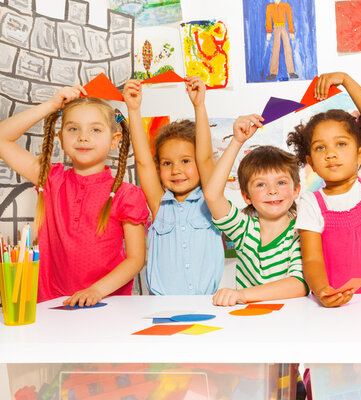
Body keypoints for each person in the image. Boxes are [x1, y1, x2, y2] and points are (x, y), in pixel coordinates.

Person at [0, 86, 148, 306]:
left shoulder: (126, 195)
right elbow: (3, 139)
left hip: (107, 306)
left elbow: (136, 259)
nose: (83, 137)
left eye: (95, 130)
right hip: (51, 306)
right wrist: (51, 105)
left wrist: (96, 291)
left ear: (114, 140)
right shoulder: (51, 179)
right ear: (60, 137)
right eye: (73, 129)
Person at [287, 72, 361, 308]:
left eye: (341, 144)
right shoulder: (311, 202)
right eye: (320, 147)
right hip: (334, 310)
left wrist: (346, 80)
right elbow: (312, 259)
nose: (331, 153)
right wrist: (322, 290)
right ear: (311, 162)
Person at [123, 77, 224, 295]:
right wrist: (133, 109)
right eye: (167, 163)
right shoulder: (160, 204)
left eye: (185, 161)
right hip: (160, 304)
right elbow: (143, 163)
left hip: (206, 303)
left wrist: (199, 105)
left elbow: (205, 157)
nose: (176, 170)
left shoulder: (211, 200)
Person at [202, 114, 307, 306]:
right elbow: (212, 195)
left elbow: (298, 285)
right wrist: (236, 141)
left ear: (296, 190)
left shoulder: (299, 232)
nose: (272, 190)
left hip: (291, 322)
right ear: (246, 197)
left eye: (281, 182)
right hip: (250, 323)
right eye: (260, 185)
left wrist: (241, 295)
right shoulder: (243, 229)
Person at [265, 0, 298, 80]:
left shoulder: (286, 5)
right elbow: (268, 18)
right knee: (275, 49)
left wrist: (291, 31)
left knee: (288, 49)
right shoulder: (270, 7)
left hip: (283, 28)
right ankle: (273, 73)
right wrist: (269, 31)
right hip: (276, 28)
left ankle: (291, 72)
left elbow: (289, 17)